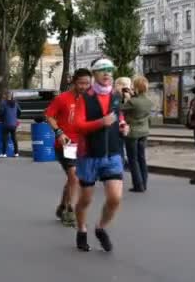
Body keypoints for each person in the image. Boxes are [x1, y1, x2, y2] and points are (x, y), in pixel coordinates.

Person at [73, 58, 128, 252]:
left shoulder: (114, 94)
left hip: (112, 153)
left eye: (110, 71)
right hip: (89, 154)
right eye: (102, 71)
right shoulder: (84, 99)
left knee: (115, 198)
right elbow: (77, 125)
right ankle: (81, 229)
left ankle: (101, 228)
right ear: (94, 74)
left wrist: (122, 124)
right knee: (86, 199)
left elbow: (118, 114)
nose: (107, 74)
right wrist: (100, 123)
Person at [45, 68, 92, 227]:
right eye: (81, 83)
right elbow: (49, 115)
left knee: (72, 179)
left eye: (87, 83)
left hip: (82, 145)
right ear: (74, 82)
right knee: (74, 176)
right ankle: (70, 210)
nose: (84, 86)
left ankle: (62, 206)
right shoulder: (62, 99)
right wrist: (59, 132)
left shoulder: (89, 99)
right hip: (65, 144)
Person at [121, 76, 153, 192]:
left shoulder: (132, 102)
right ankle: (144, 183)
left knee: (133, 160)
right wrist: (132, 95)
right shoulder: (148, 101)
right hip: (144, 132)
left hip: (133, 133)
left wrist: (126, 98)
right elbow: (138, 103)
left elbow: (120, 108)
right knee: (142, 158)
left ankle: (138, 185)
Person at [0, 91, 21, 158]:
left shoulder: (3, 103)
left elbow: (1, 112)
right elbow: (19, 111)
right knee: (14, 138)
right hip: (14, 123)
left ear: (5, 95)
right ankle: (16, 152)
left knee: (5, 138)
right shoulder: (15, 103)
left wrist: (1, 118)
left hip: (6, 123)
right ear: (12, 96)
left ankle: (4, 153)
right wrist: (15, 117)